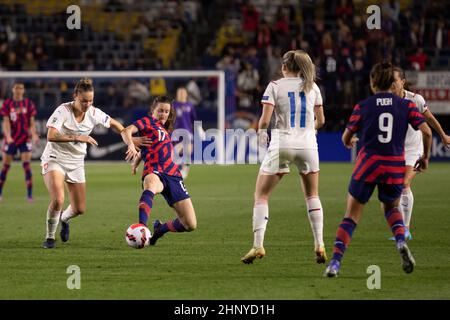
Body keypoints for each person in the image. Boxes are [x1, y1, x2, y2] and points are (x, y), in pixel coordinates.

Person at [324, 62, 432, 277]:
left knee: (351, 216)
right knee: (391, 208)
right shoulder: (407, 105)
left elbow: (346, 137)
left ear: (372, 83)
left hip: (367, 166)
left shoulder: (363, 106)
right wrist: (425, 157)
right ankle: (401, 241)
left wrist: (349, 141)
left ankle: (335, 263)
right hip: (393, 167)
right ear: (393, 83)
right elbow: (427, 132)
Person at [41, 78, 150, 249]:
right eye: (84, 100)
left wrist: (130, 142)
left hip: (76, 163)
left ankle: (63, 219)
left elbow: (117, 126)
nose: (87, 104)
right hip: (55, 158)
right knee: (59, 198)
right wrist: (78, 136)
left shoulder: (93, 113)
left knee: (80, 209)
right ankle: (49, 238)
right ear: (75, 96)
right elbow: (51, 135)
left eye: (90, 100)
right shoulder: (63, 110)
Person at [240, 50, 327, 265]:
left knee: (261, 195)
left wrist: (261, 135)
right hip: (308, 145)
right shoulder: (312, 86)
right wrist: (309, 130)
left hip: (283, 143)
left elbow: (264, 120)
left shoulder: (275, 86)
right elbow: (321, 120)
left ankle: (258, 244)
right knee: (312, 195)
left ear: (284, 67)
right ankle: (320, 243)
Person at [121, 96, 197, 247]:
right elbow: (126, 131)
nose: (163, 114)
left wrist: (138, 158)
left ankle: (160, 229)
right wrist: (131, 145)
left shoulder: (166, 131)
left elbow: (153, 147)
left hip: (173, 175)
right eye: (160, 110)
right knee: (150, 185)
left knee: (190, 224)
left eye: (167, 111)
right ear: (153, 111)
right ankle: (142, 226)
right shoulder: (148, 122)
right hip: (154, 170)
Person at [386, 67, 450, 240]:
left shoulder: (416, 99)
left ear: (403, 81)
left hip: (414, 149)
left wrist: (443, 135)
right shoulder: (386, 101)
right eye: (389, 80)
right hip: (395, 150)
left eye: (395, 80)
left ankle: (405, 229)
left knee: (404, 184)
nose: (392, 84)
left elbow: (429, 119)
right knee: (394, 189)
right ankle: (401, 228)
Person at [0, 82, 39, 202]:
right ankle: (0, 193)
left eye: (21, 88)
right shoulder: (7, 104)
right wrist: (7, 136)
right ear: (13, 90)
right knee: (5, 167)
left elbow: (31, 123)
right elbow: (5, 122)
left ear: (23, 90)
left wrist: (34, 134)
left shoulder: (28, 104)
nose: (19, 90)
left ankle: (30, 195)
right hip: (11, 139)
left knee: (27, 166)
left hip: (24, 138)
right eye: (17, 88)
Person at [173, 86, 200, 178]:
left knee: (188, 151)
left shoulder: (190, 105)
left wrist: (199, 129)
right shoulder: (174, 105)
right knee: (176, 152)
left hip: (188, 132)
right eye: (179, 93)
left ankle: (185, 171)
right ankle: (177, 168)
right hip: (176, 133)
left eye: (183, 92)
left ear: (186, 94)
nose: (181, 94)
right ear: (177, 94)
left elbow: (194, 119)